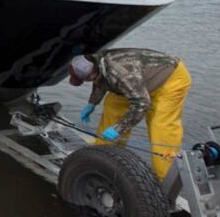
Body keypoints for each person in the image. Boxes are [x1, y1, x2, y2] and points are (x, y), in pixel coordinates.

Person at [69, 48, 192, 181]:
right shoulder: (96, 60)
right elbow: (101, 80)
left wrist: (118, 128)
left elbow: (141, 104)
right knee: (112, 103)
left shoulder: (121, 73)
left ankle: (165, 179)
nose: (91, 81)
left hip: (169, 79)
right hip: (137, 81)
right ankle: (105, 154)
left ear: (92, 73)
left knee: (160, 126)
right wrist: (93, 103)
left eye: (88, 79)